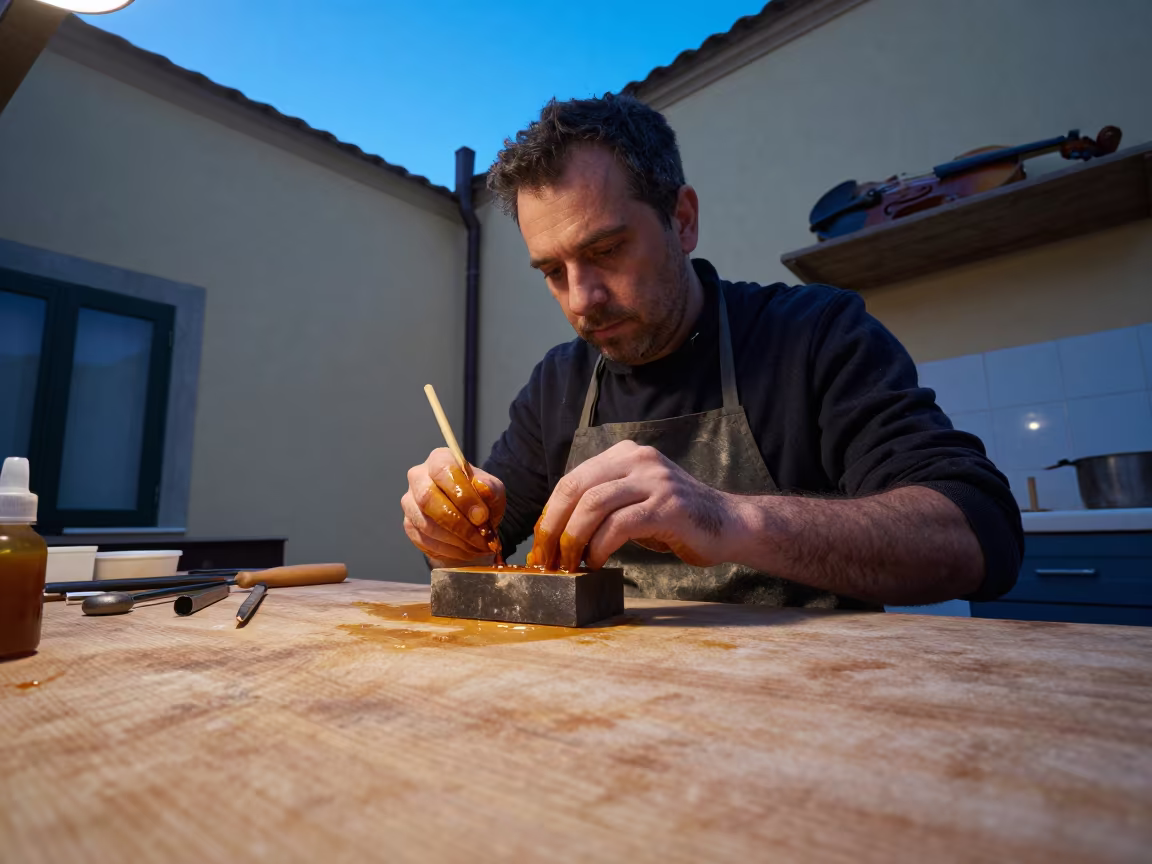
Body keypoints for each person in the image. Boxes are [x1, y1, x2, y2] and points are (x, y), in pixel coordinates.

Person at [401, 93, 1022, 609]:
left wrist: (729, 520)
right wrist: (448, 532)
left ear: (683, 219)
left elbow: (976, 539)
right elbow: (483, 551)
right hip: (606, 708)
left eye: (607, 250)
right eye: (553, 271)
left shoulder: (815, 333)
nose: (582, 300)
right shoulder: (558, 383)